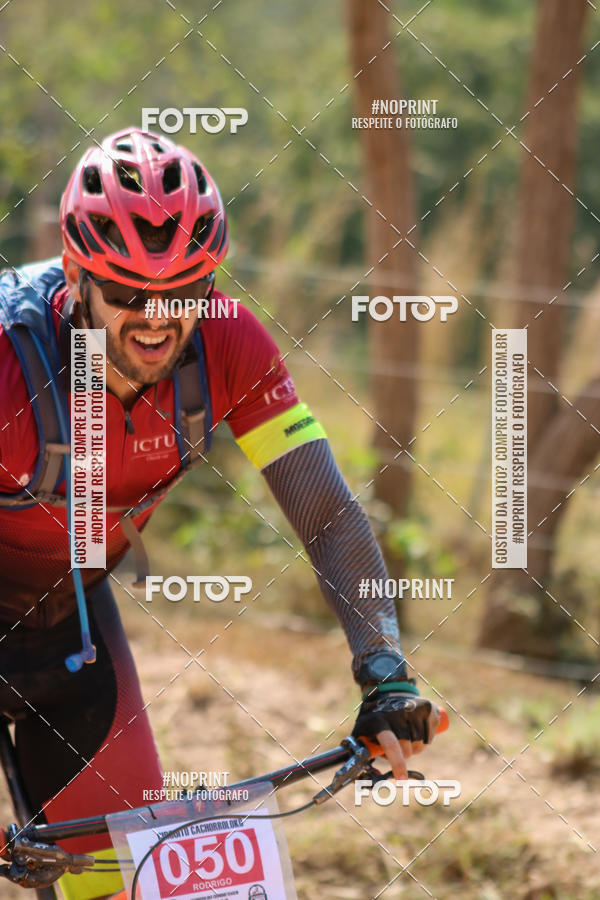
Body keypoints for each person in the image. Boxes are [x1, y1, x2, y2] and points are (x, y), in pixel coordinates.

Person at [0, 128, 440, 899]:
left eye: (184, 292)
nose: (157, 320)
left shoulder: (231, 346)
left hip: (68, 622)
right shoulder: (9, 358)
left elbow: (329, 515)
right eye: (129, 292)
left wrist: (386, 674)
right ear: (74, 275)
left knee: (111, 881)